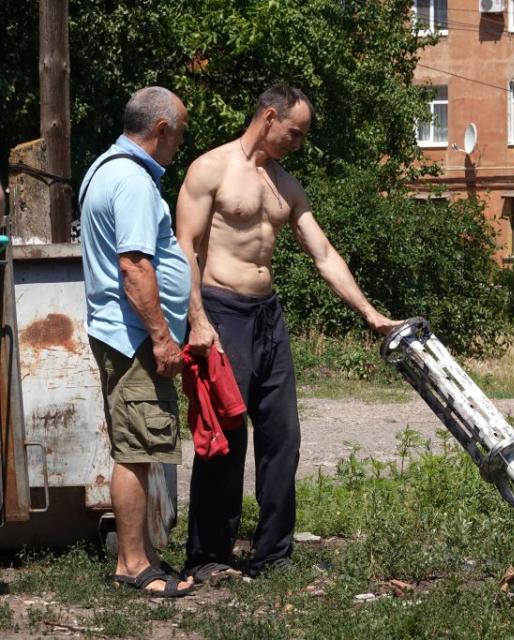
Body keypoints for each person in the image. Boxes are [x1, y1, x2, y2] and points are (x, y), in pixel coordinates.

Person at [176, 85, 401, 581]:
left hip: (267, 318)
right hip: (221, 311)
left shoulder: (285, 185)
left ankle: (272, 554)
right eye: (294, 133)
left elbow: (323, 253)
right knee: (226, 437)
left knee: (284, 437)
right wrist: (196, 321)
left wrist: (369, 313)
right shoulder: (211, 168)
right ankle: (210, 556)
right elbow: (185, 250)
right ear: (270, 117)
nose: (297, 143)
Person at [80, 87, 195, 596]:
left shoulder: (109, 169)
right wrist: (163, 338)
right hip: (133, 340)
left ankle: (140, 554)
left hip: (126, 335)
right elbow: (134, 266)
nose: (180, 145)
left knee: (142, 447)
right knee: (134, 449)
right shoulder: (130, 180)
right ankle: (132, 564)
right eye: (181, 133)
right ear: (162, 130)